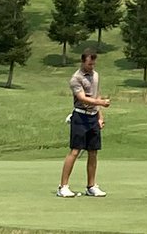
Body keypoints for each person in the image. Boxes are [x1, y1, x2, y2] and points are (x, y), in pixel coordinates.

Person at [58, 49, 111, 198]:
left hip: (93, 117)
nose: (92, 67)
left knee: (93, 152)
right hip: (80, 117)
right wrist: (100, 102)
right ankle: (63, 186)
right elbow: (82, 98)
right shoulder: (76, 78)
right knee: (75, 151)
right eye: (89, 64)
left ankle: (91, 186)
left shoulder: (96, 75)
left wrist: (100, 116)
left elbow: (96, 94)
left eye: (93, 64)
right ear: (83, 62)